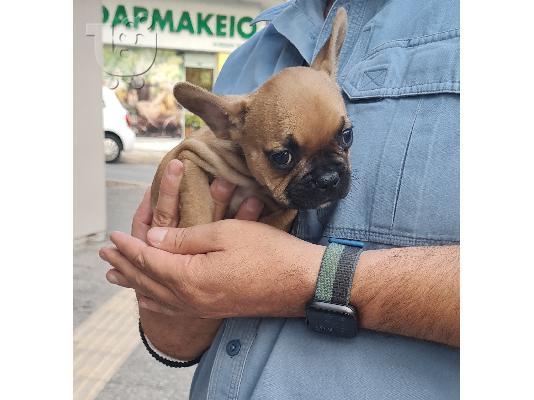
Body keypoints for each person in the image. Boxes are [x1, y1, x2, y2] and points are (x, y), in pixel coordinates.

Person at [99, 0, 460, 398]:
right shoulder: (247, 56)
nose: (326, 175)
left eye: (344, 139)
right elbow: (178, 334)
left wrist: (313, 279)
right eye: (284, 157)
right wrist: (169, 305)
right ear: (225, 121)